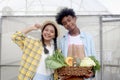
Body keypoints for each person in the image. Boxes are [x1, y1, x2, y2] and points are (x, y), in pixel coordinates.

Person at [55, 8, 96, 80]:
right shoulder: (62, 40)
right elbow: (60, 61)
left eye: (69, 20)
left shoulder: (88, 38)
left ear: (75, 18)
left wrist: (93, 73)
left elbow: (94, 57)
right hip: (68, 77)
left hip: (84, 77)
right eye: (64, 23)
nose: (68, 24)